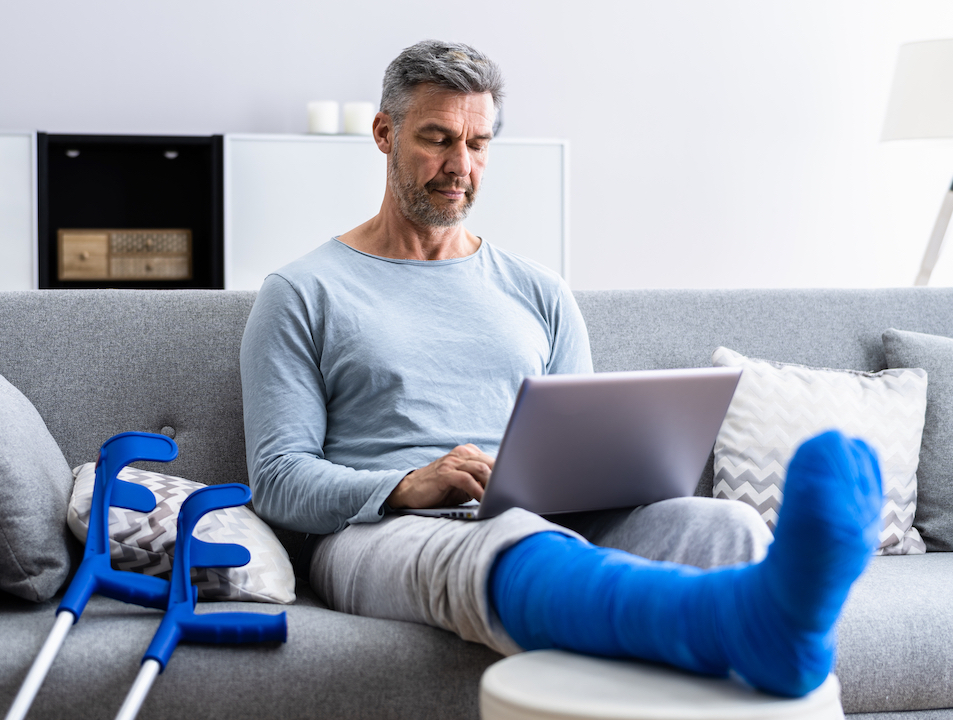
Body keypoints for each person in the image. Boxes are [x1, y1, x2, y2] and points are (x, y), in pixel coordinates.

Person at [240, 39, 882, 697]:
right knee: (507, 543)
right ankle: (748, 629)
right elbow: (280, 482)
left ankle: (771, 632)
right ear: (385, 133)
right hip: (384, 533)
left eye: (479, 144)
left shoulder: (540, 290)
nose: (460, 165)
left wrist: (626, 471)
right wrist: (406, 485)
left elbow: (583, 450)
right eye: (437, 139)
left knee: (727, 529)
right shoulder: (303, 291)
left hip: (549, 518)